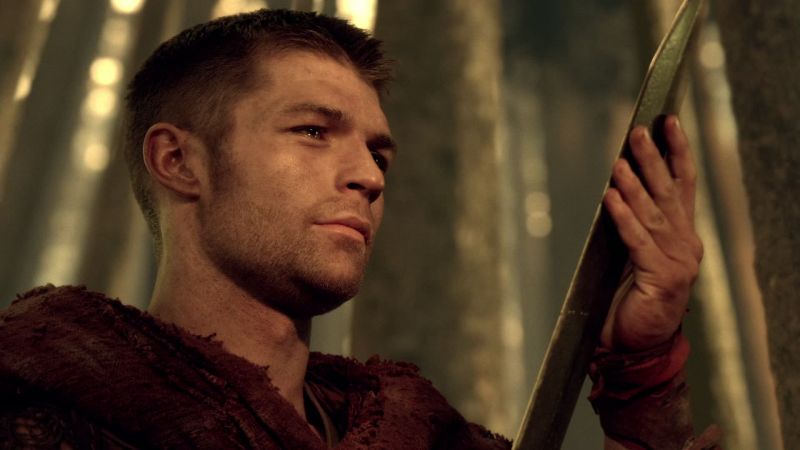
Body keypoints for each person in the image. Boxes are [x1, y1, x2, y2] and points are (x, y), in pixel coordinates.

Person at [0, 8, 718, 450]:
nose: (369, 177)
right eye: (314, 131)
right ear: (178, 161)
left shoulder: (417, 433)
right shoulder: (37, 403)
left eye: (378, 153)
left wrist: (641, 366)